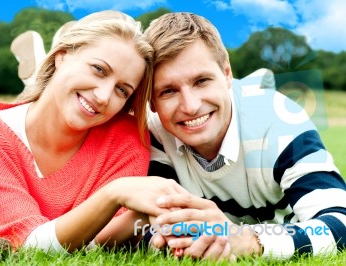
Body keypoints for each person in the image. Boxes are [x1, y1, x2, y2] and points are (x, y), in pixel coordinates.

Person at [0, 10, 189, 254]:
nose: (103, 96)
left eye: (122, 90)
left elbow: (104, 239)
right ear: (62, 56)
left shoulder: (126, 137)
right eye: (99, 69)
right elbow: (22, 245)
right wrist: (114, 194)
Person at [144, 12, 346, 260]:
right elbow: (151, 227)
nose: (190, 106)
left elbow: (340, 222)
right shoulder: (154, 130)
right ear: (151, 101)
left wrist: (248, 240)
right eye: (168, 91)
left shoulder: (281, 119)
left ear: (227, 74)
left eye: (202, 81)